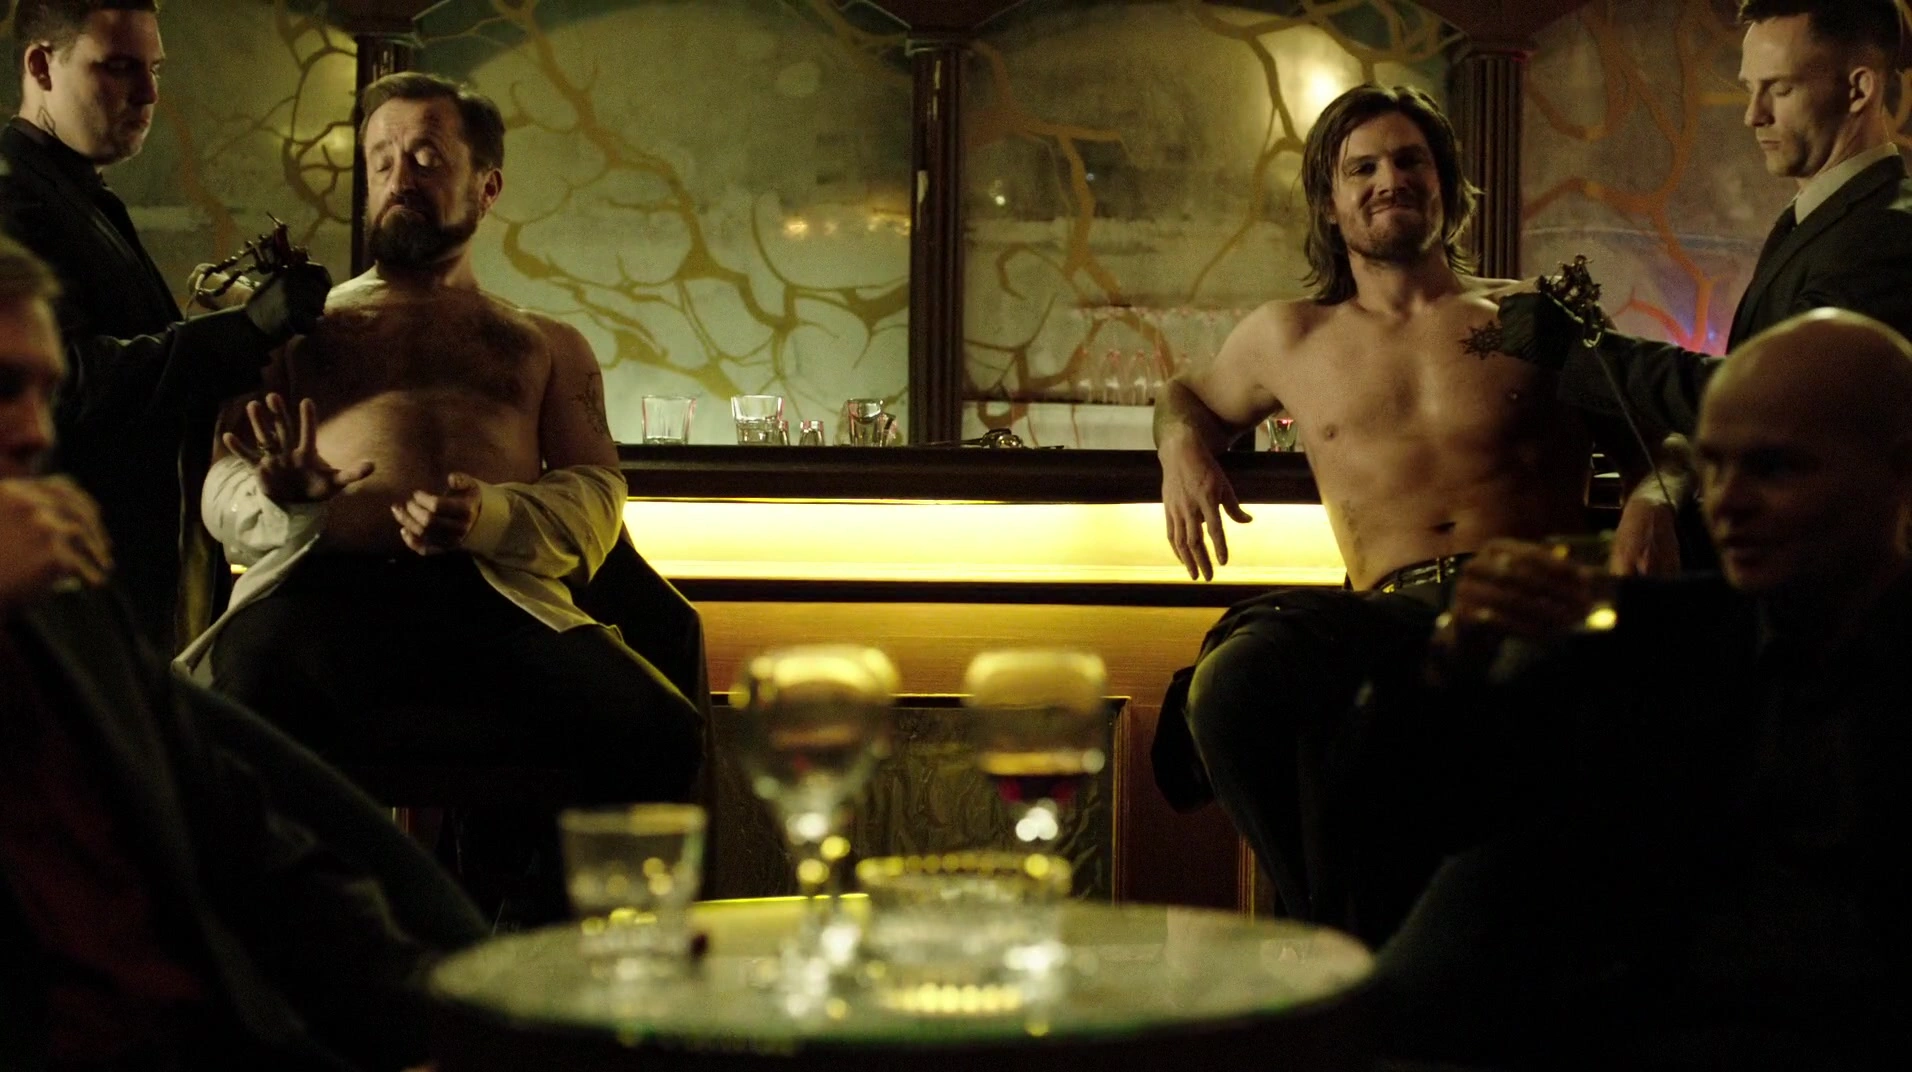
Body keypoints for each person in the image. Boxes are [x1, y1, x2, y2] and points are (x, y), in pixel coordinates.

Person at [1355, 308, 1912, 1069]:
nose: (1727, 501)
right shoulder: (1655, 641)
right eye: (1712, 466)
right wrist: (1455, 659)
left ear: (1900, 472)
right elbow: (1430, 820)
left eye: (1774, 467)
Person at [1150, 83, 1643, 941]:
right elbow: (1186, 397)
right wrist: (1180, 448)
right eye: (1363, 168)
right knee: (1227, 684)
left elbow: (1653, 438)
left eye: (1411, 160)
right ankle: (1331, 938)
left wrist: (1653, 504)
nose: (1390, 180)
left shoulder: (1530, 315)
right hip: (1384, 618)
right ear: (1330, 202)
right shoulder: (1288, 337)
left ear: (1443, 182)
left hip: (1525, 599)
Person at [177, 72, 702, 810]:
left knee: (658, 729)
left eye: (426, 159)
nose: (400, 178)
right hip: (319, 593)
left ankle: (538, 893)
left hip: (492, 596)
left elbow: (595, 491)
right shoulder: (294, 332)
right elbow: (222, 482)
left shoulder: (545, 343)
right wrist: (281, 499)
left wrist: (491, 514)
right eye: (382, 161)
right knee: (229, 725)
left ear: (488, 187)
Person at [0, 231, 452, 1070]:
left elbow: (247, 844)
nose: (35, 430)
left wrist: (454, 1007)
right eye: (3, 389)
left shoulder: (71, 605)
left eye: (45, 390)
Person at [0, 0, 332, 653]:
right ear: (41, 65)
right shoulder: (12, 198)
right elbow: (71, 382)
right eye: (119, 68)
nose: (149, 94)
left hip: (114, 578)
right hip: (54, 581)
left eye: (153, 69)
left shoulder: (79, 195)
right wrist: (248, 329)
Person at [1497, 0, 1912, 438]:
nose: (1753, 115)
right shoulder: (1829, 219)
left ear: (1859, 90)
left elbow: (1772, 402)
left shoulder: (1887, 233)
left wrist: (1588, 352)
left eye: (1780, 89)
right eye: (1749, 87)